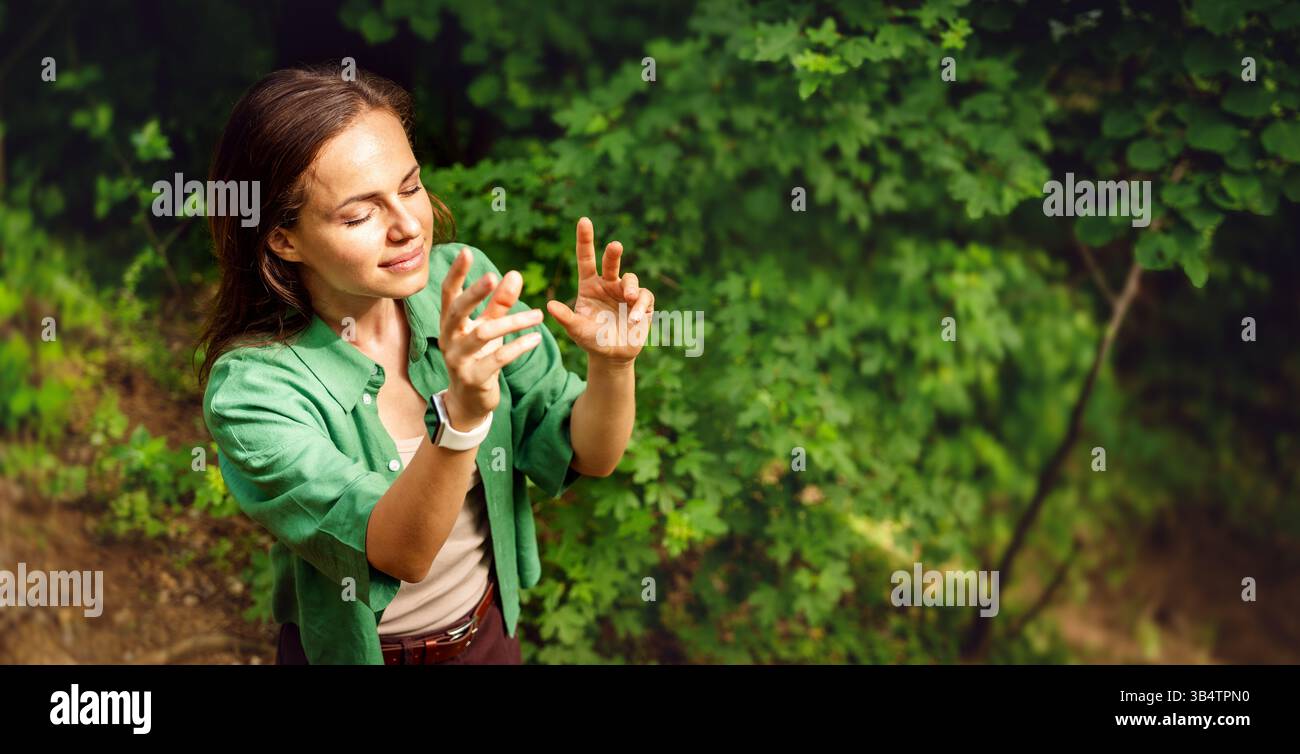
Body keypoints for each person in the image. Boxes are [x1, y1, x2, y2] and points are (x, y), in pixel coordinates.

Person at [196, 65, 654, 664]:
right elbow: (398, 554)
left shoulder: (460, 281)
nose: (409, 226)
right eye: (360, 216)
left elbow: (591, 453)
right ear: (283, 239)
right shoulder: (253, 391)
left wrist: (612, 365)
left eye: (409, 188)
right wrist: (460, 416)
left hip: (488, 637)